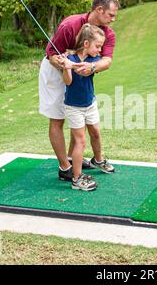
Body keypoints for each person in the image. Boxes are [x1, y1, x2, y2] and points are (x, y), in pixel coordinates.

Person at [38, 0, 119, 181]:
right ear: (99, 10)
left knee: (79, 116)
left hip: (81, 73)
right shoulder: (70, 25)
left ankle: (74, 157)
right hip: (54, 72)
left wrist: (91, 66)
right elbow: (51, 54)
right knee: (58, 119)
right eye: (111, 15)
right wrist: (64, 63)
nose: (113, 20)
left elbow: (106, 61)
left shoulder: (108, 33)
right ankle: (65, 167)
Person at [61, 24, 113, 191]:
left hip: (90, 104)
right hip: (73, 107)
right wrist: (66, 67)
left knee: (95, 134)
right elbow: (68, 81)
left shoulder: (93, 61)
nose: (99, 51)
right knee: (80, 141)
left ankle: (97, 160)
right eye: (97, 46)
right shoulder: (71, 58)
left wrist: (72, 64)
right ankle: (76, 179)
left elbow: (86, 71)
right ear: (85, 44)